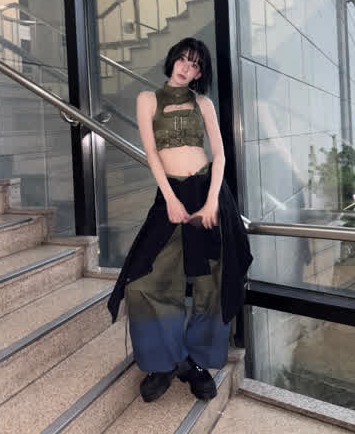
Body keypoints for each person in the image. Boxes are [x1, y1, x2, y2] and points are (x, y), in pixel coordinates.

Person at [108, 37, 253, 403]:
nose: (187, 68)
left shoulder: (203, 103)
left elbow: (219, 156)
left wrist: (212, 202)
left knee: (213, 281)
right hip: (170, 196)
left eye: (196, 65)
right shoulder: (147, 99)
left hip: (210, 195)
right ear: (173, 59)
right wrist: (170, 199)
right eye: (184, 60)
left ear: (200, 73)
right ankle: (165, 362)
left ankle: (198, 363)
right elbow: (152, 154)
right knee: (144, 281)